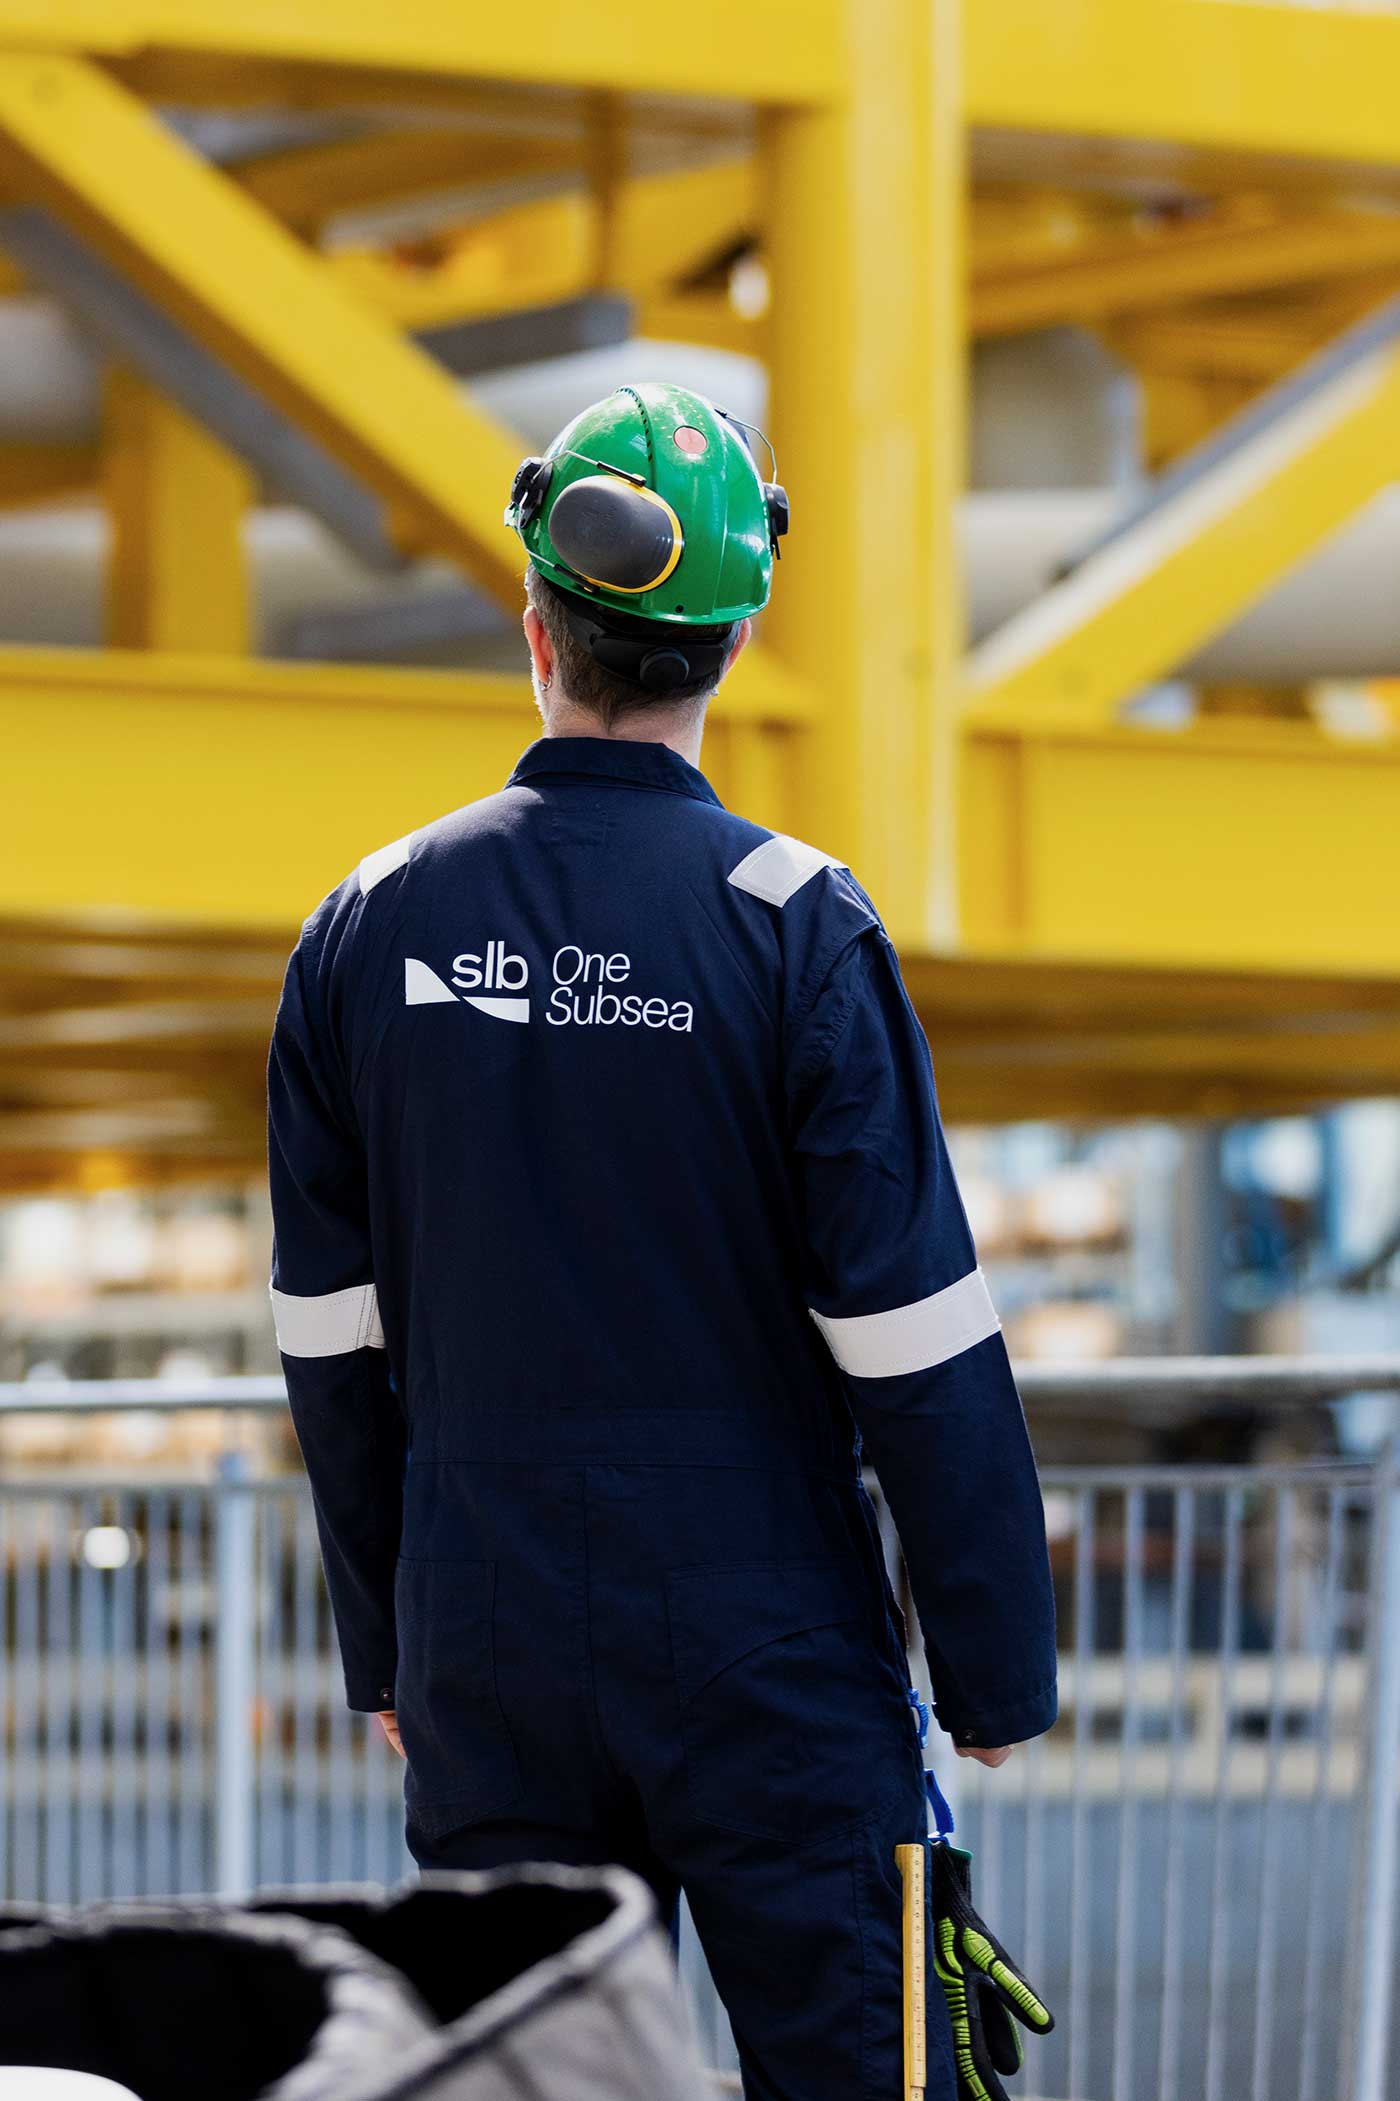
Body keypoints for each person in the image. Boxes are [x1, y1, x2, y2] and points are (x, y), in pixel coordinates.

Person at [267, 381, 1057, 2101]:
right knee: (863, 2069)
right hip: (765, 1630)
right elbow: (915, 1335)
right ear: (741, 631)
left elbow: (330, 1336)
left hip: (481, 1629)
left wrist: (386, 1638)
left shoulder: (368, 923)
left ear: (534, 618)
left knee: (519, 2074)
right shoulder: (795, 927)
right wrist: (994, 1658)